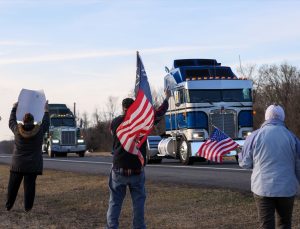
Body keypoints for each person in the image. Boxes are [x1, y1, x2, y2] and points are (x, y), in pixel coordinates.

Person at [106, 89, 171, 229]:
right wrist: (166, 98)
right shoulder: (143, 122)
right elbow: (159, 114)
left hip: (118, 168)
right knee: (138, 204)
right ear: (134, 107)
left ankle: (111, 227)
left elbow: (111, 132)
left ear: (123, 108)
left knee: (114, 203)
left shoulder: (115, 122)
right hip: (136, 168)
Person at [239, 104, 300, 229]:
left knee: (266, 225)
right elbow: (298, 166)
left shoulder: (254, 136)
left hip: (262, 188)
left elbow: (245, 164)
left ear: (266, 117)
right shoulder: (292, 137)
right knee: (284, 223)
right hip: (287, 189)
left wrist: (240, 154)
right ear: (282, 118)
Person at [6, 100, 49, 212]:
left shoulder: (17, 131)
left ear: (23, 121)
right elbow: (46, 123)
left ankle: (8, 206)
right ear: (33, 121)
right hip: (32, 165)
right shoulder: (39, 131)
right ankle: (28, 208)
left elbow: (11, 121)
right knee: (29, 188)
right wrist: (46, 111)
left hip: (17, 164)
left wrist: (14, 108)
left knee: (12, 187)